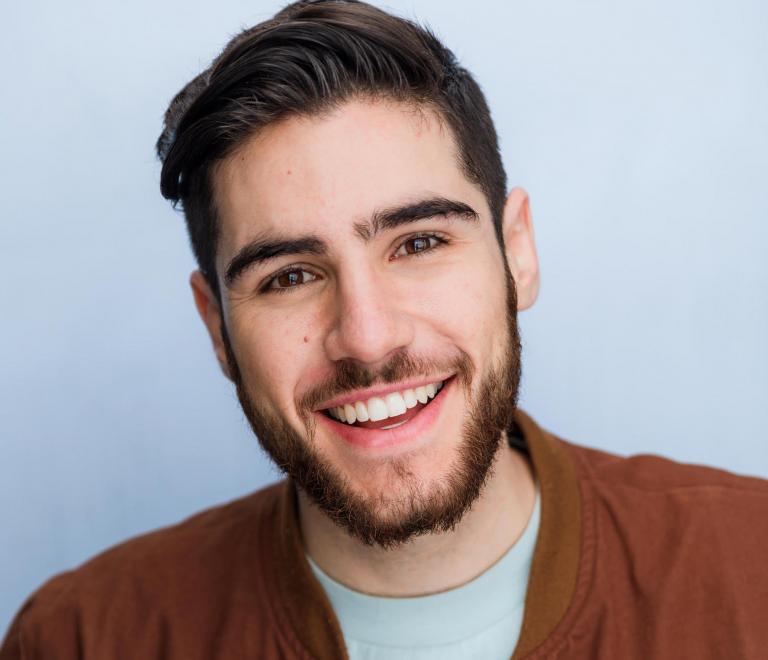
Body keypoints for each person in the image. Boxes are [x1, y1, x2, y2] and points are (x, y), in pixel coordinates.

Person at [2, 1, 766, 658]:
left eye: (420, 243)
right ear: (217, 328)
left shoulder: (750, 568)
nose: (367, 338)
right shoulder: (83, 638)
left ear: (518, 254)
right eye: (290, 276)